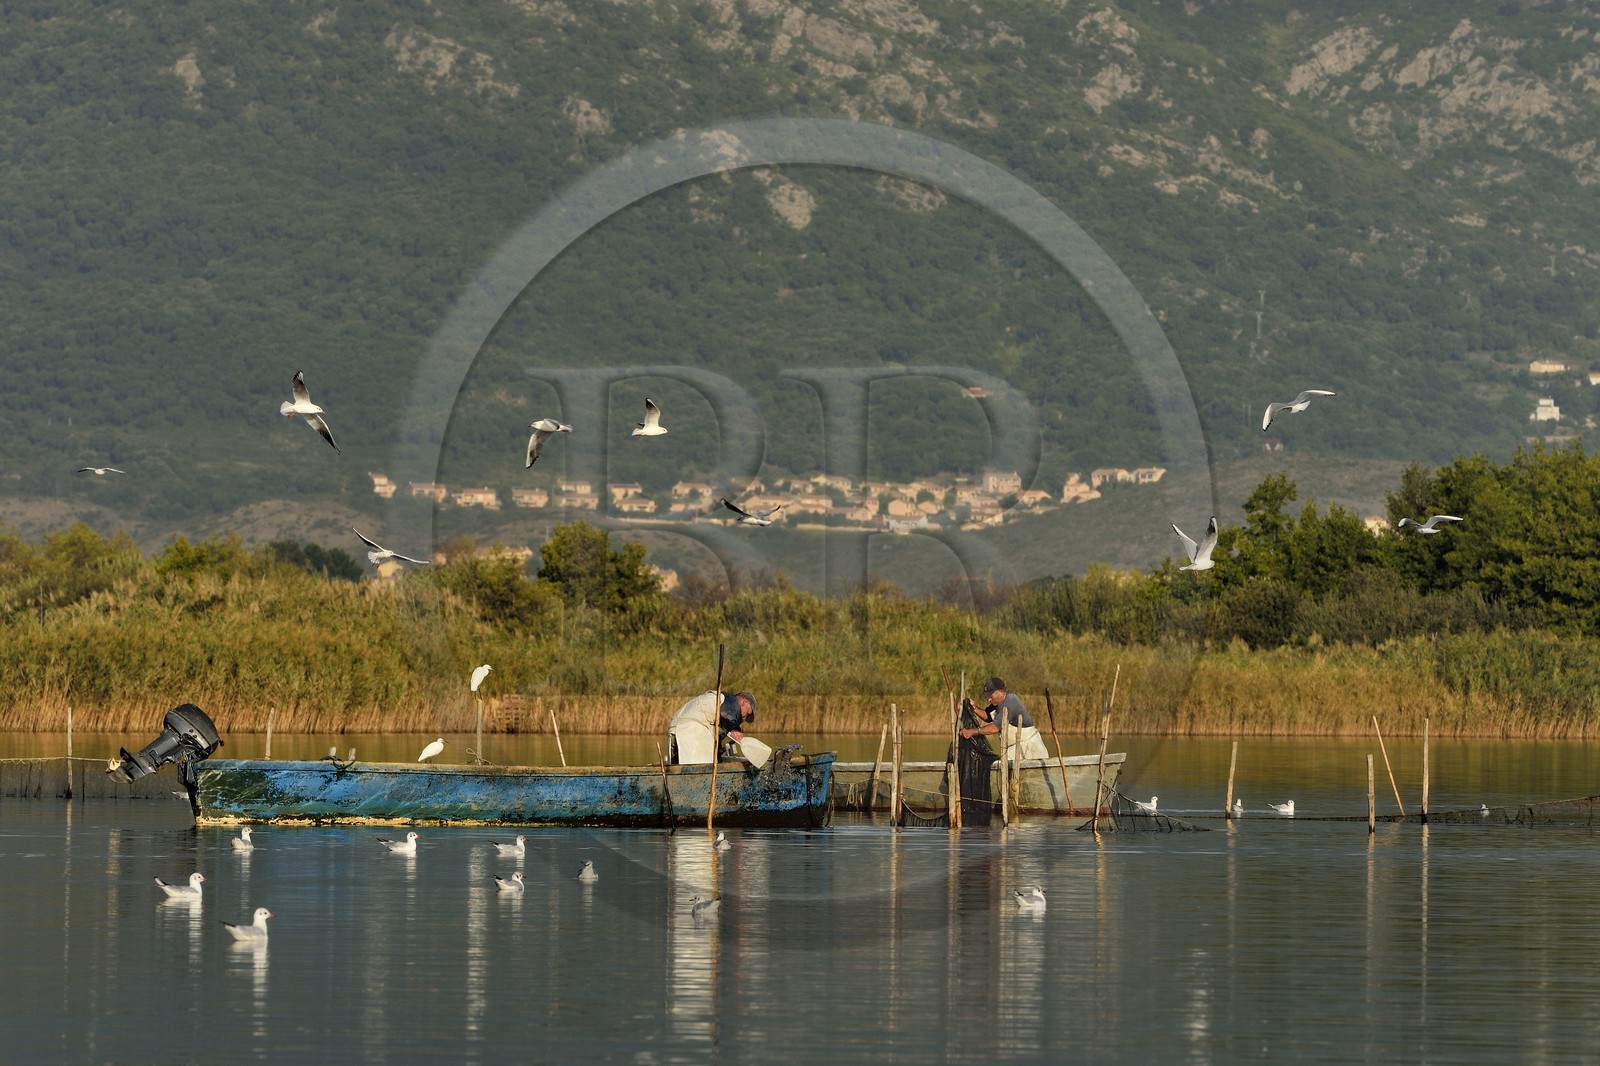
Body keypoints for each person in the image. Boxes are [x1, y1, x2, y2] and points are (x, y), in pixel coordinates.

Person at [959, 677, 1050, 761]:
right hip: (1015, 747)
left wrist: (971, 732)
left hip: (1029, 747)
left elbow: (995, 728)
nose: (988, 700)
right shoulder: (999, 702)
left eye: (990, 696)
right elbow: (988, 717)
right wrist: (974, 708)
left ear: (1000, 691)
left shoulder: (1009, 703)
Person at [668, 689, 757, 764]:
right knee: (699, 773)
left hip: (678, 731)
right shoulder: (728, 701)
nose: (744, 719)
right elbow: (728, 713)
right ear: (744, 702)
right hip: (689, 733)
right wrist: (733, 729)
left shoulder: (721, 703)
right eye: (747, 713)